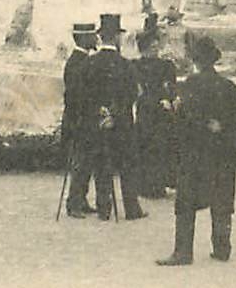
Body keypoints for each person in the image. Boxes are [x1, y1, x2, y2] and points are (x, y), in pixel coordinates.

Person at [157, 37, 236, 266]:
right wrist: (221, 126)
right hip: (221, 153)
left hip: (195, 152)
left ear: (195, 60)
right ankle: (222, 248)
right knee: (222, 201)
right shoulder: (228, 86)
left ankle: (183, 252)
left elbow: (182, 120)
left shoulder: (189, 86)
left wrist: (172, 111)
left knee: (186, 202)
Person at [88, 14, 147, 221]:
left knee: (102, 165)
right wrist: (116, 114)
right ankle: (132, 209)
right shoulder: (126, 65)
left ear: (100, 36)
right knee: (127, 166)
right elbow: (134, 94)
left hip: (98, 122)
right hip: (123, 124)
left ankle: (104, 209)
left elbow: (84, 94)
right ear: (116, 37)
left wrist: (101, 112)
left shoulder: (90, 63)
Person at [132, 25, 178, 200]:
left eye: (156, 45)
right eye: (152, 46)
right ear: (143, 48)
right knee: (147, 146)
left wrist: (169, 99)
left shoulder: (166, 65)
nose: (155, 49)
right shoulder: (135, 65)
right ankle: (146, 185)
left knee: (160, 146)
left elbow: (171, 87)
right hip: (147, 109)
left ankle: (158, 184)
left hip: (159, 110)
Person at [62, 22, 99, 218]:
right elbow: (75, 96)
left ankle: (81, 200)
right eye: (93, 35)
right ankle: (73, 203)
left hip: (83, 119)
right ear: (83, 38)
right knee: (80, 162)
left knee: (87, 161)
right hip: (79, 120)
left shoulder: (80, 60)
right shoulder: (78, 62)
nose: (96, 38)